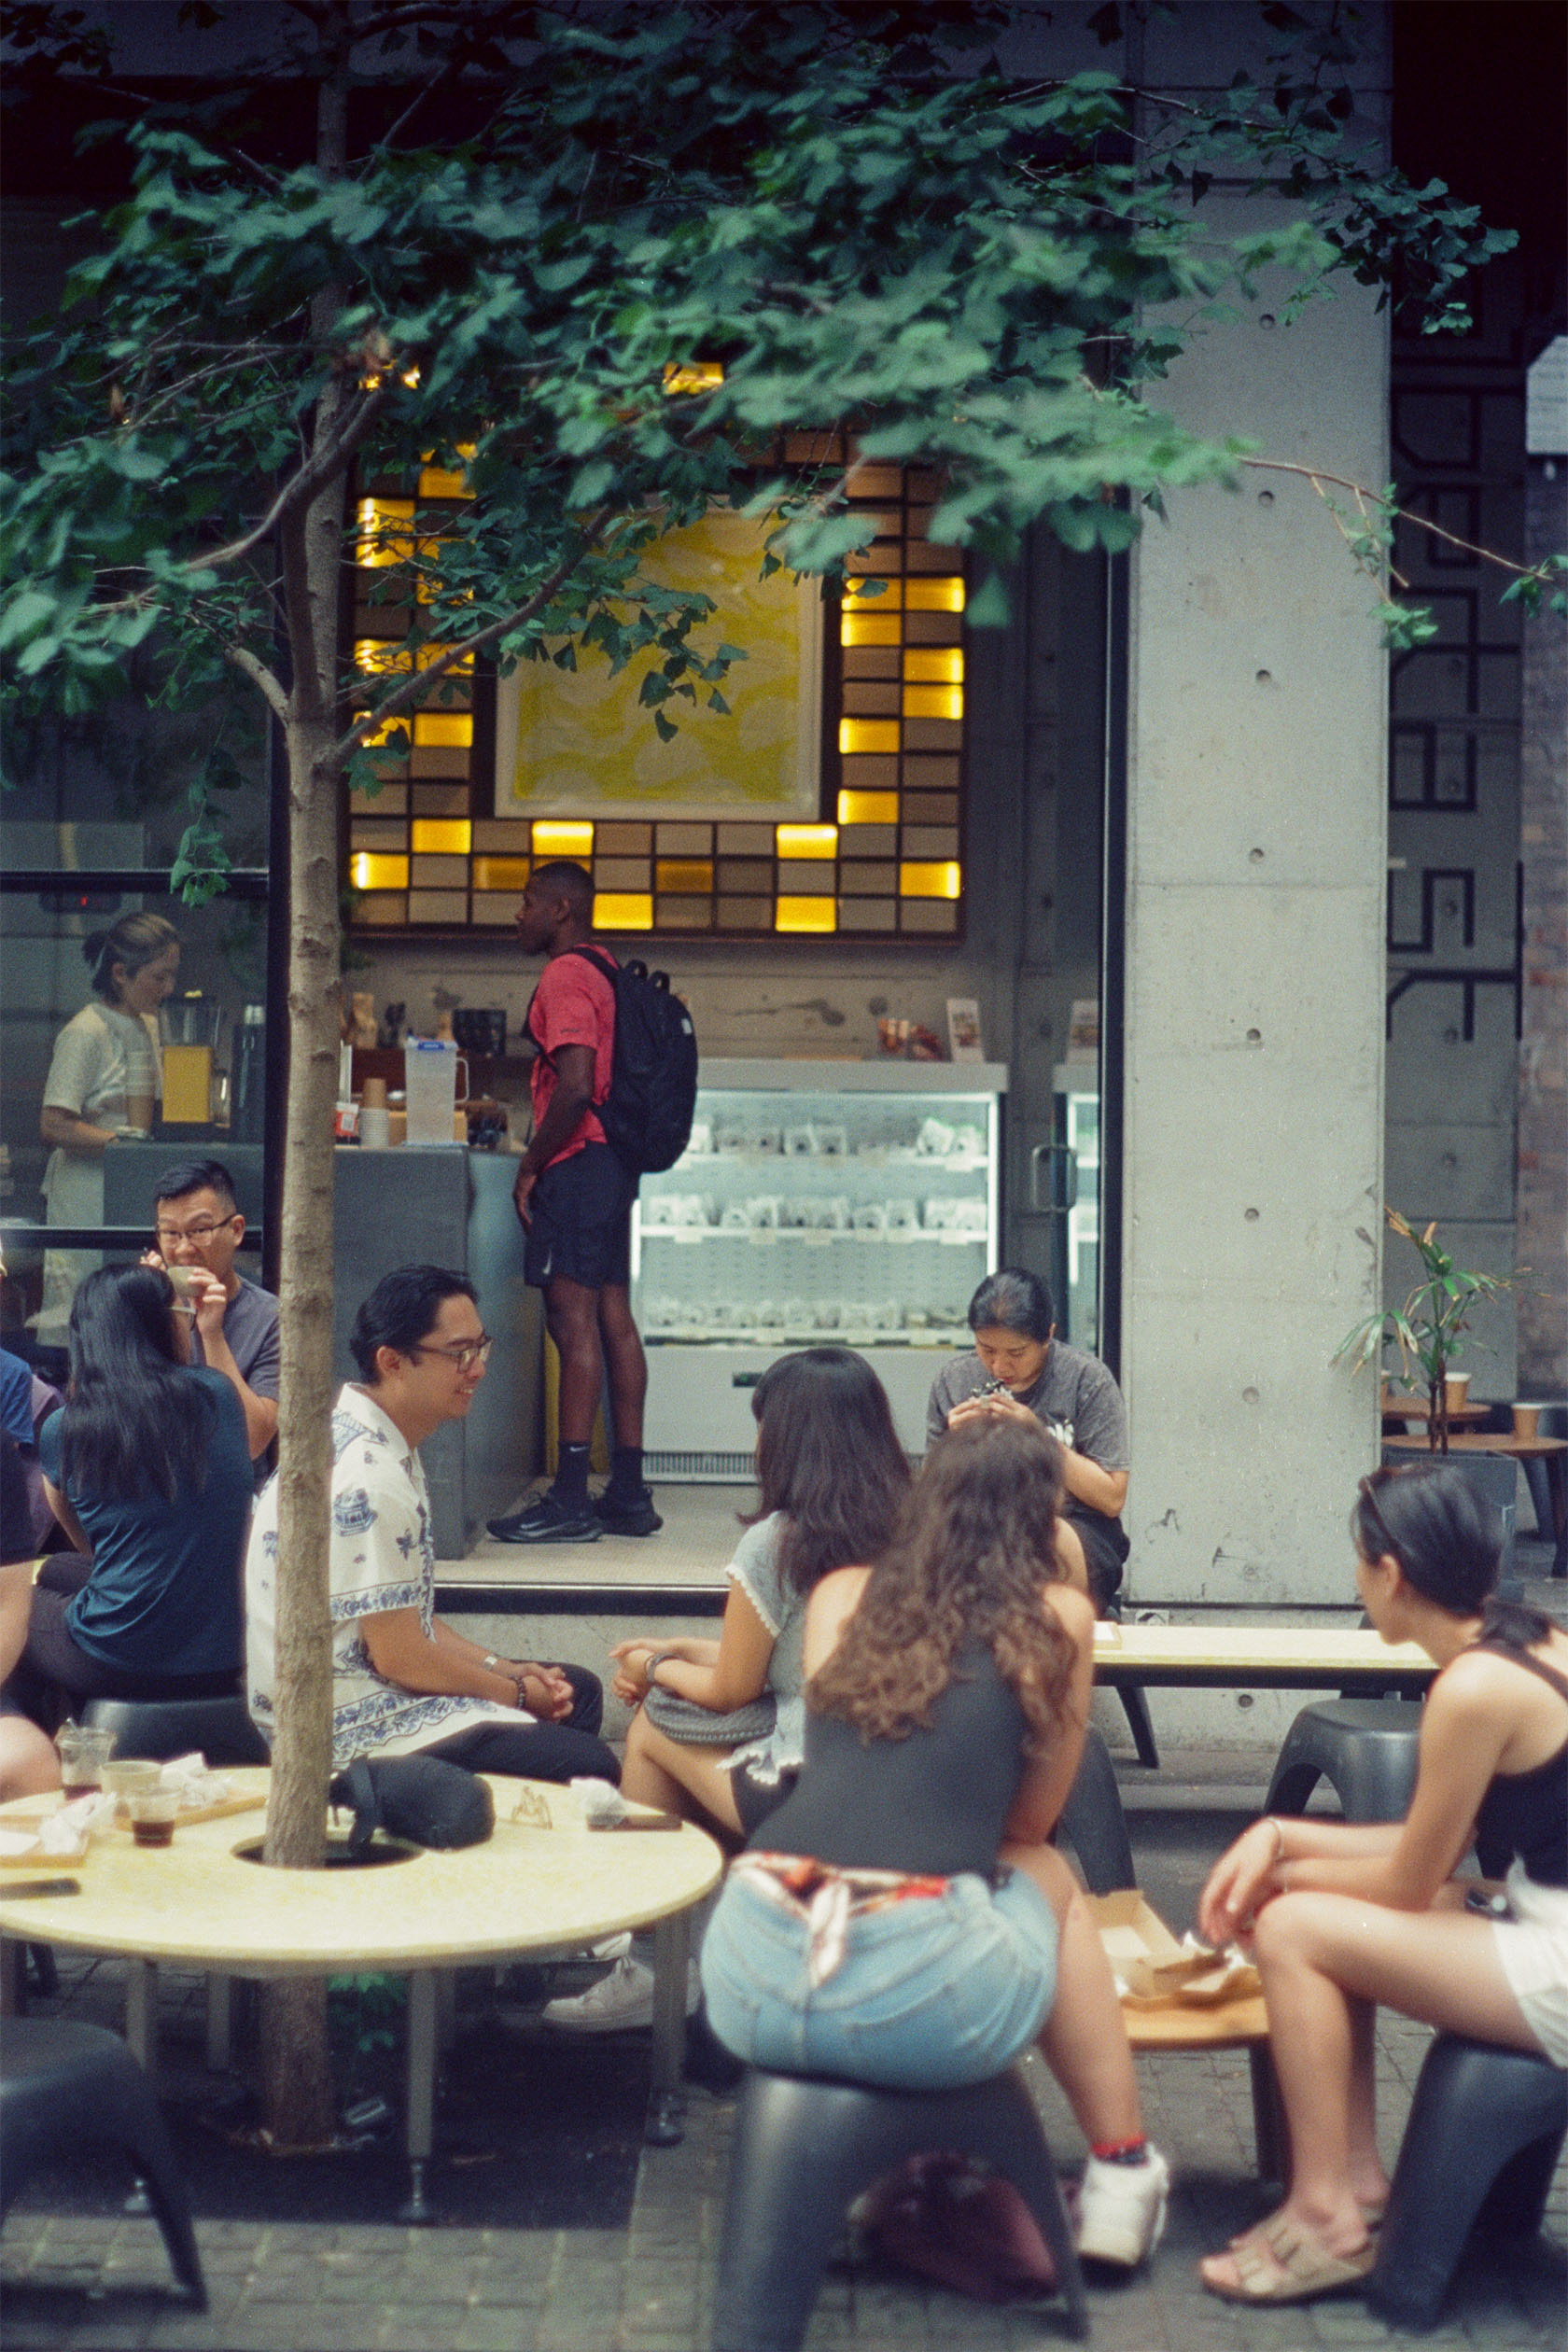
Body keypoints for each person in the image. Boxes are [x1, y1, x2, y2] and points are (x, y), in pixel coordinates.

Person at [699, 1413, 1170, 2270]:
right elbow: (1027, 1824)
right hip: (916, 1994)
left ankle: (896, 2165)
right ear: (1045, 1520)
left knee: (907, 1868)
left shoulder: (840, 1594)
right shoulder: (1059, 1615)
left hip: (748, 1971)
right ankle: (1123, 2169)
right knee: (1044, 1870)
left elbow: (848, 1764)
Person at [1196, 1463, 1568, 2306]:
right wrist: (1280, 1836)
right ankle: (1355, 2183)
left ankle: (1323, 2217)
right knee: (1319, 1914)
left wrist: (1282, 1874)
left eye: (1360, 1564)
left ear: (1391, 1574)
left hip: (1556, 1957)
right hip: (1540, 1912)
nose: (1358, 1582)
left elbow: (1405, 1883)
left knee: (1293, 1929)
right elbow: (1433, 1853)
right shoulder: (1527, 1639)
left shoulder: (1472, 1688)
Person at [543, 1347, 913, 2033]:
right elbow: (787, 1663)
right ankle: (692, 1948)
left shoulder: (779, 1541)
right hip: (900, 1776)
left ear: (787, 1438)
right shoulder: (913, 1529)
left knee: (653, 1729)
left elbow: (731, 1690)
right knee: (687, 1732)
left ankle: (651, 1964)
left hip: (805, 1787)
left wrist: (651, 1669)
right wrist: (681, 1648)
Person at [246, 1264, 617, 1784]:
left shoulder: (364, 1431)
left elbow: (406, 1619)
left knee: (576, 1690)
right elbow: (401, 1657)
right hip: (341, 1721)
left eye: (480, 1348)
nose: (477, 1369)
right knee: (590, 1761)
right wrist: (514, 1693)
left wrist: (505, 1668)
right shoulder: (370, 1477)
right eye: (459, 1354)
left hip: (364, 1681)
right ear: (392, 1361)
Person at [2, 1264, 251, 1735]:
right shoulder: (218, 1395)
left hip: (118, 1659)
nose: (187, 1325)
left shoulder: (66, 1428)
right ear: (157, 1326)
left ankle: (41, 1748)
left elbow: (79, 1530)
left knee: (13, 1612)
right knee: (57, 1570)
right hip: (225, 1656)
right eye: (181, 1314)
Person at [488, 860, 654, 1545]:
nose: (518, 914)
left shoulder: (565, 975)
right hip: (614, 1164)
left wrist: (531, 1164)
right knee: (614, 1316)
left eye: (528, 901)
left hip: (579, 1165)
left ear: (560, 910)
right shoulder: (609, 970)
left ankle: (570, 1499)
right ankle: (629, 1492)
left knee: (571, 1320)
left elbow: (577, 1083)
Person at [927, 1268, 1129, 1610]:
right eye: (986, 1349)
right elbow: (931, 1500)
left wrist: (1038, 1438)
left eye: (1016, 1353)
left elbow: (1111, 1498)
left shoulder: (1087, 1380)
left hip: (1072, 1524)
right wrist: (955, 1448)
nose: (999, 1366)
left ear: (1048, 1335)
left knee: (1032, 1547)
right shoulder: (953, 1380)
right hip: (976, 1523)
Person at [37, 913, 180, 1346]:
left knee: (129, 1310)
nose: (168, 988)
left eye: (172, 976)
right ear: (120, 974)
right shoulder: (85, 1032)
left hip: (130, 1183)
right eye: (159, 977)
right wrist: (121, 1145)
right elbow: (53, 1124)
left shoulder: (148, 1023)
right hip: (86, 1189)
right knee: (84, 1309)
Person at [145, 1159, 278, 1473]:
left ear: (236, 1230)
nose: (183, 1249)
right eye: (170, 1233)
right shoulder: (146, 1301)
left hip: (236, 1492)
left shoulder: (271, 1317)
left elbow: (253, 1442)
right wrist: (142, 1312)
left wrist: (212, 1334)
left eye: (199, 1231)